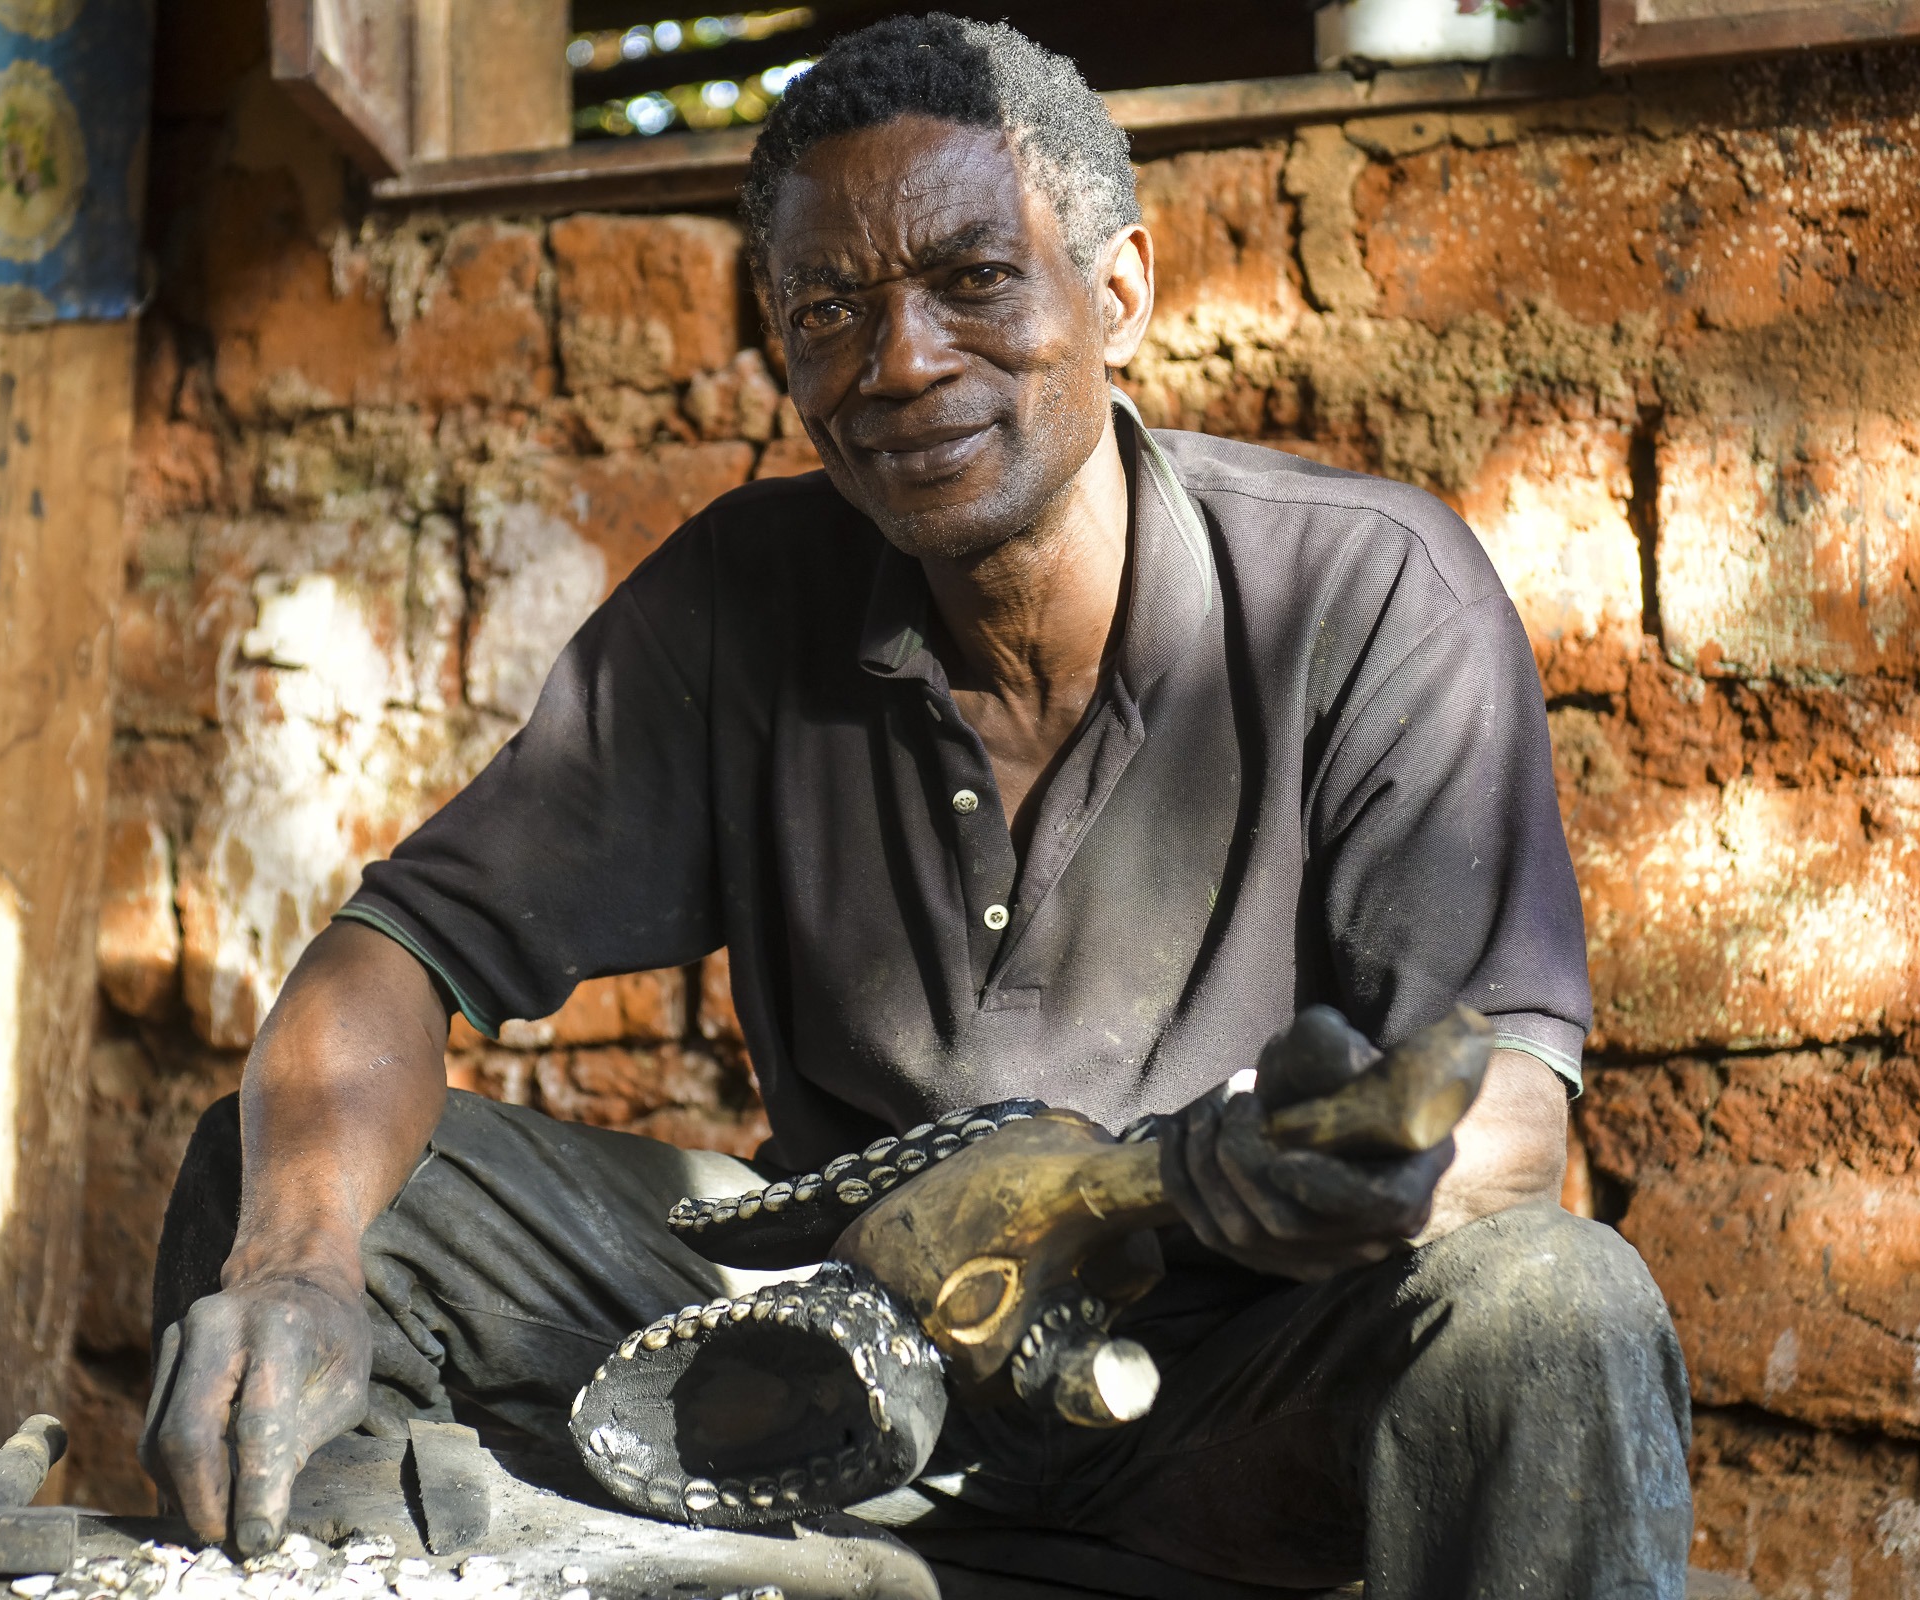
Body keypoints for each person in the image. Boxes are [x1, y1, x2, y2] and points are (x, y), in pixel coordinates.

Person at [142, 16, 1692, 1596]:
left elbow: (1504, 1120)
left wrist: (1156, 1189)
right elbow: (394, 951)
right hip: (827, 1390)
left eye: (972, 281)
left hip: (1210, 1421)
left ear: (1122, 292)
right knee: (294, 1189)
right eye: (831, 310)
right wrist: (296, 1265)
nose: (899, 362)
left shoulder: (1364, 594)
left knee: (1553, 1309)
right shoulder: (744, 597)